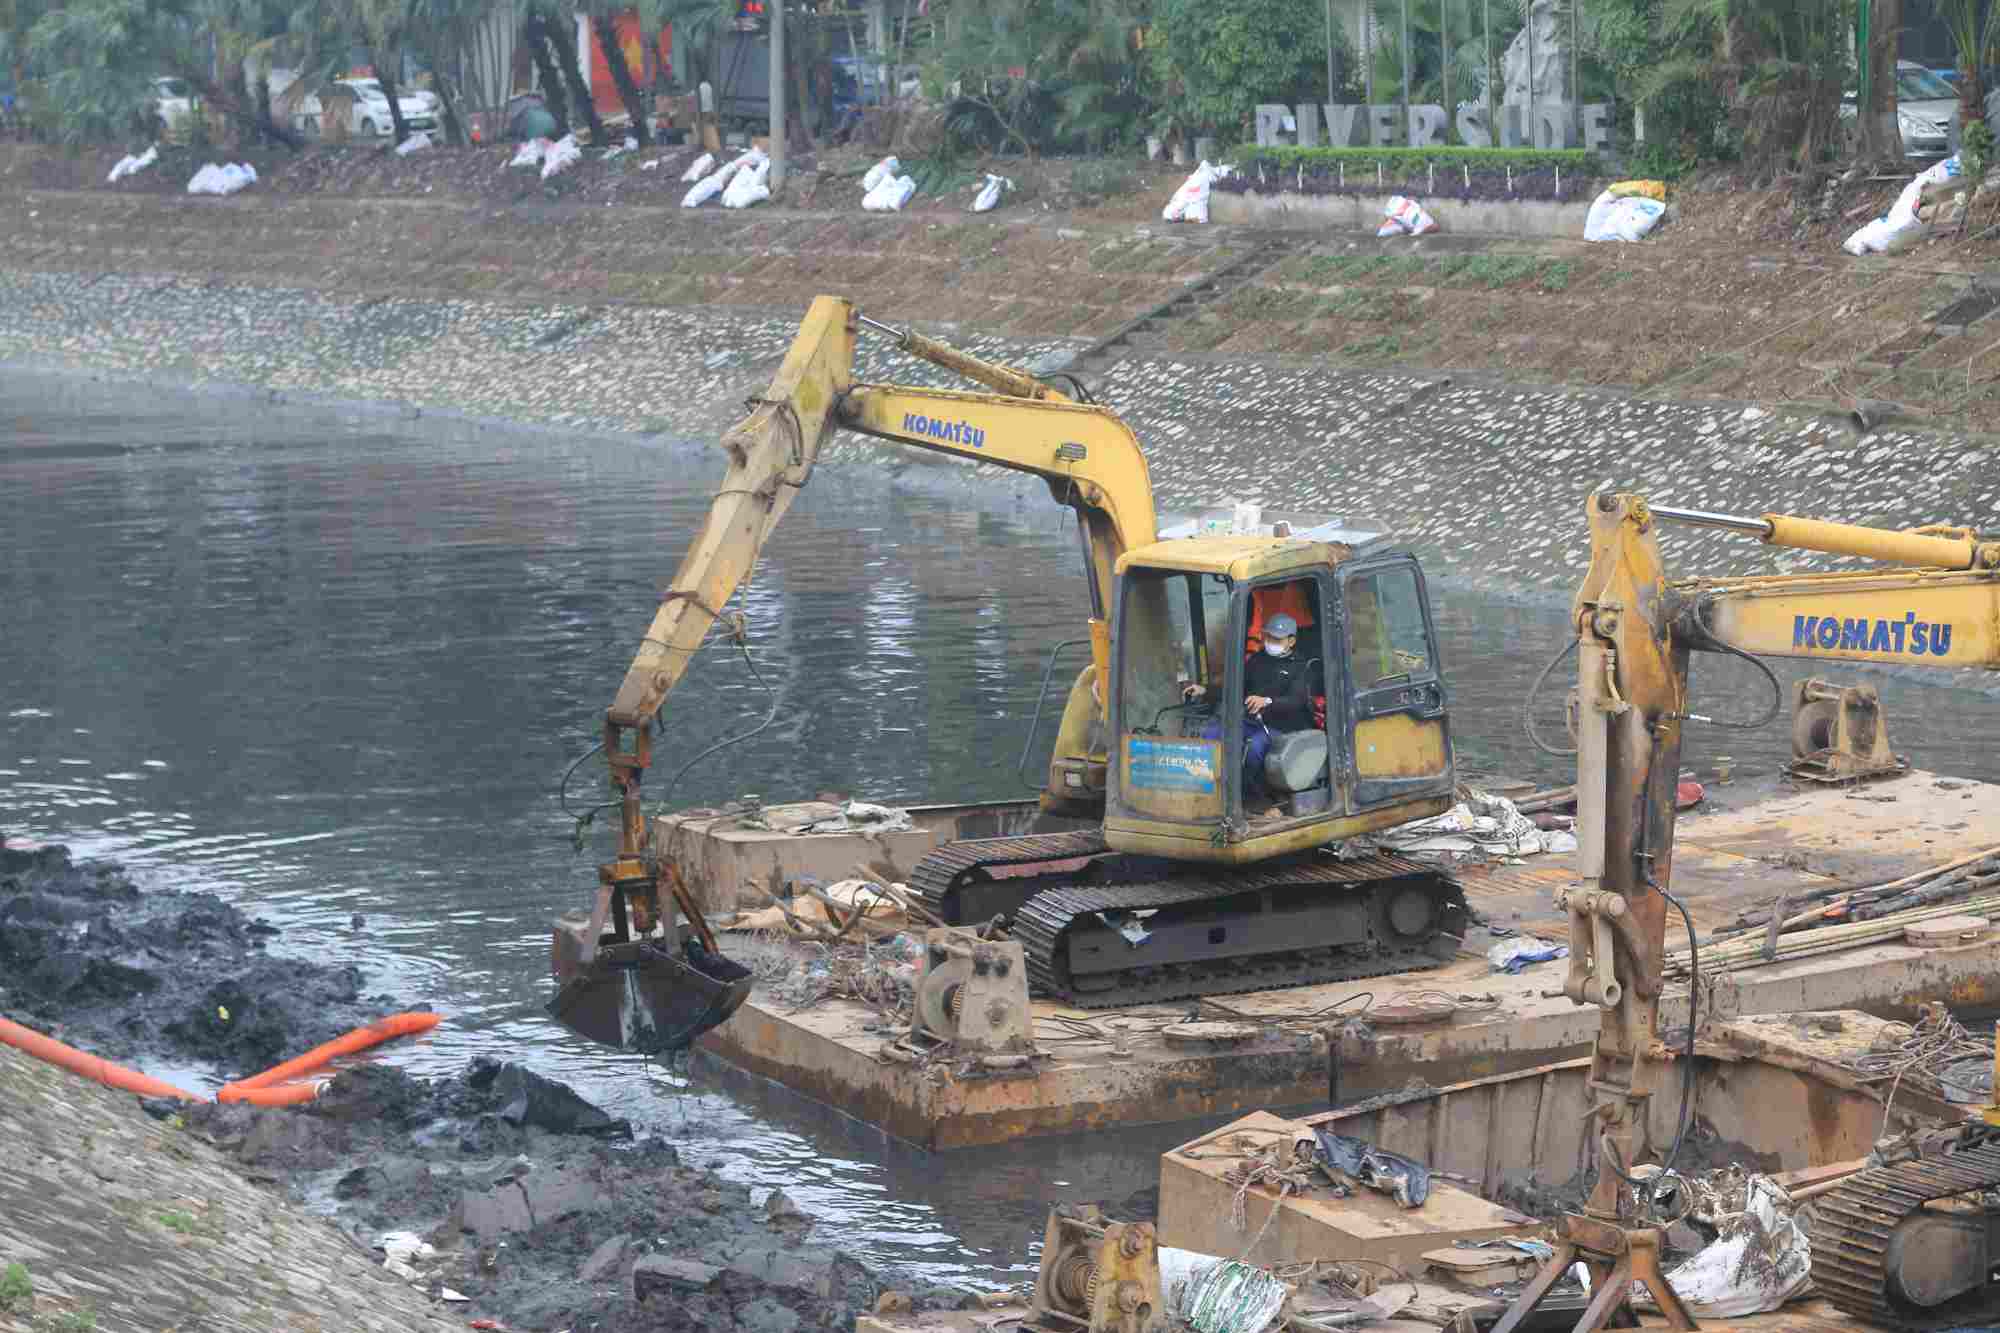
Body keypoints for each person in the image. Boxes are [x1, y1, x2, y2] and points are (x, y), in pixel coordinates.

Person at [1185, 613, 1323, 807]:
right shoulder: (1258, 660)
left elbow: (1296, 701)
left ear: (1291, 641)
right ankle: (1210, 794)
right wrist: (1205, 690)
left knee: (1255, 748)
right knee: (1212, 734)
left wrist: (1267, 701)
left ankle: (1256, 800)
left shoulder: (1301, 667)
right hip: (1252, 721)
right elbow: (1236, 687)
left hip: (1284, 728)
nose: (1270, 642)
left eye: (1277, 639)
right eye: (1268, 637)